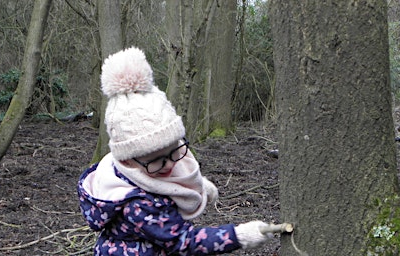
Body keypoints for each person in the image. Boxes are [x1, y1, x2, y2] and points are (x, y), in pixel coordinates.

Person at [78, 47, 274, 255]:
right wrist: (237, 236)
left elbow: (160, 183)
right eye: (158, 161)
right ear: (128, 161)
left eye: (174, 152)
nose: (170, 164)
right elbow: (183, 242)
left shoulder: (127, 170)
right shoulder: (137, 205)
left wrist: (196, 187)